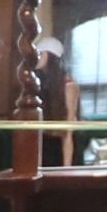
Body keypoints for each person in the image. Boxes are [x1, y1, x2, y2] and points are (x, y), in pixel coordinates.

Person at [37, 37, 81, 167]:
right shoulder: (40, 83)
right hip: (46, 146)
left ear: (51, 56)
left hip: (62, 151)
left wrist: (66, 170)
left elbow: (68, 131)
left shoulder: (68, 85)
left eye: (41, 54)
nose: (37, 58)